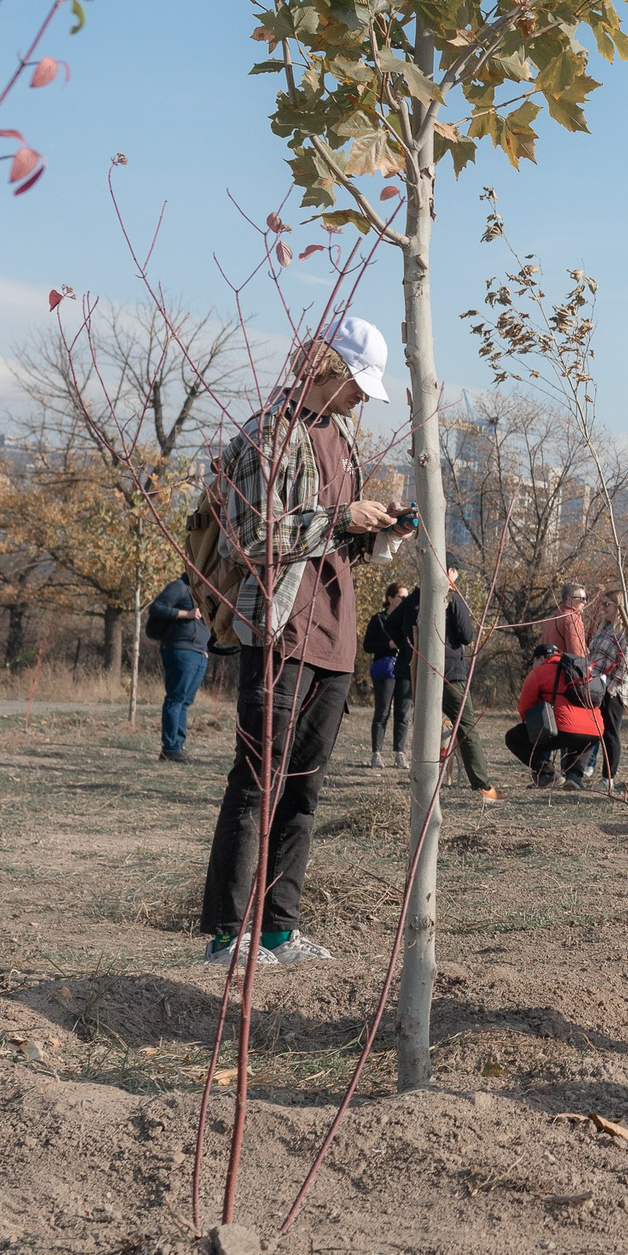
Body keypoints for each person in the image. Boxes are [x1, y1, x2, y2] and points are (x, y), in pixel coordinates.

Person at [198, 316, 412, 970]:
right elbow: (254, 540)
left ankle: (278, 932)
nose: (361, 398)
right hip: (280, 629)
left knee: (304, 787)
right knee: (259, 779)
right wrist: (342, 516)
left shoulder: (342, 433)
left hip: (335, 639)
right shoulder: (269, 435)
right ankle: (229, 935)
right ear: (325, 367)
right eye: (356, 382)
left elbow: (334, 540)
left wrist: (379, 533)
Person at [395, 566, 500, 802]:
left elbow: (393, 624)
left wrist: (409, 648)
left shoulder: (416, 596)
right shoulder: (449, 595)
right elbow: (466, 634)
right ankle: (483, 786)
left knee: (426, 726)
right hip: (450, 671)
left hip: (421, 670)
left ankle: (424, 780)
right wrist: (454, 589)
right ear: (451, 570)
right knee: (466, 727)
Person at [507, 641, 604, 786]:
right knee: (581, 736)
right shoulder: (579, 670)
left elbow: (524, 709)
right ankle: (574, 776)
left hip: (561, 729)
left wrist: (535, 729)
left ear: (540, 658)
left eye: (533, 661)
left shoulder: (538, 673)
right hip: (595, 730)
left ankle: (548, 774)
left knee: (513, 737)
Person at [146, 570, 210, 763]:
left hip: (198, 653)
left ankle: (177, 748)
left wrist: (204, 649)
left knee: (184, 701)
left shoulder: (202, 592)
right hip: (181, 649)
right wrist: (186, 614)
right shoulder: (180, 587)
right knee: (176, 698)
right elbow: (157, 607)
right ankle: (170, 748)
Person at [580, 590, 628, 792]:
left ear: (618, 607)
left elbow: (625, 664)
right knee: (593, 730)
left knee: (610, 734)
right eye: (602, 604)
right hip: (596, 690)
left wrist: (610, 689)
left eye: (607, 604)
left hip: (613, 692)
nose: (603, 608)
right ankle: (585, 768)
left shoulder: (623, 633)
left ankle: (608, 779)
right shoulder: (603, 629)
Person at [361, 582, 407, 767]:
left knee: (403, 713)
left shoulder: (408, 619)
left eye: (406, 597)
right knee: (383, 711)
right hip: (385, 669)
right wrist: (388, 646)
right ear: (390, 598)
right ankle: (376, 753)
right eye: (401, 597)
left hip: (404, 669)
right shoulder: (378, 620)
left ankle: (400, 753)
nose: (404, 600)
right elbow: (367, 646)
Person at [544, 581, 592, 662]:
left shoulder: (552, 619)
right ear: (569, 599)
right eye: (582, 599)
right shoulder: (572, 619)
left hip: (546, 671)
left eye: (586, 599)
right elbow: (577, 657)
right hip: (562, 672)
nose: (585, 602)